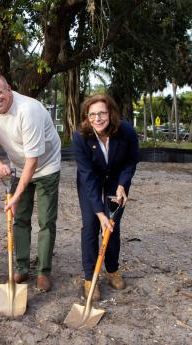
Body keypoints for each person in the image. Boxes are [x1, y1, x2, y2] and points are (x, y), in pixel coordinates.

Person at [0, 72, 61, 292]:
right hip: (19, 165)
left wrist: (15, 196)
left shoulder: (28, 110)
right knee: (20, 219)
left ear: (9, 88)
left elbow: (33, 161)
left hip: (46, 166)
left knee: (46, 220)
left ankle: (44, 272)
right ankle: (22, 266)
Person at [72, 94, 139, 301]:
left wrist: (122, 185)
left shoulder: (125, 130)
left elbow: (131, 161)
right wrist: (99, 212)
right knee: (91, 224)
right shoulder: (80, 136)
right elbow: (87, 176)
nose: (98, 118)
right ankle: (90, 277)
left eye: (102, 113)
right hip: (90, 180)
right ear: (86, 117)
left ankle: (112, 269)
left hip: (115, 179)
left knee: (112, 225)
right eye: (92, 114)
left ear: (110, 113)